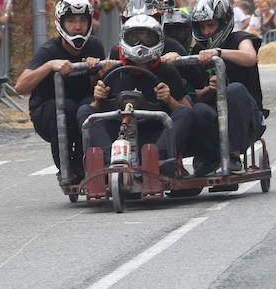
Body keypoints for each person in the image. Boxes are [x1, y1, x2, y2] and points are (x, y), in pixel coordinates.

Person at [77, 12, 193, 174]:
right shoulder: (115, 71)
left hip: (155, 133)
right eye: (135, 38)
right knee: (85, 110)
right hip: (119, 135)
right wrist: (98, 98)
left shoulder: (166, 71)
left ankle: (159, 161)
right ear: (125, 39)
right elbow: (96, 111)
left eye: (147, 38)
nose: (140, 44)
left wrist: (168, 99)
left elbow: (187, 110)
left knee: (184, 113)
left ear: (157, 40)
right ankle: (108, 160)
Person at [169, 0, 264, 177]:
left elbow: (250, 58)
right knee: (198, 108)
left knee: (234, 90)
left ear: (223, 22)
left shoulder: (240, 39)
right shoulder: (198, 50)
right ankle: (209, 157)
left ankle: (234, 156)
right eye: (202, 27)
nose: (206, 32)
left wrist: (219, 53)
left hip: (247, 116)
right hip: (215, 117)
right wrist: (178, 60)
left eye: (211, 25)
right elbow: (196, 90)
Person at [15, 0, 107, 181]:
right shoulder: (49, 50)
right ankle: (65, 169)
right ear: (60, 23)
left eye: (83, 20)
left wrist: (96, 71)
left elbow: (97, 85)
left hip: (80, 107)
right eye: (71, 20)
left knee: (88, 107)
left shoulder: (95, 46)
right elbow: (20, 86)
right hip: (48, 112)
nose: (78, 26)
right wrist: (49, 66)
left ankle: (85, 163)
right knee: (66, 107)